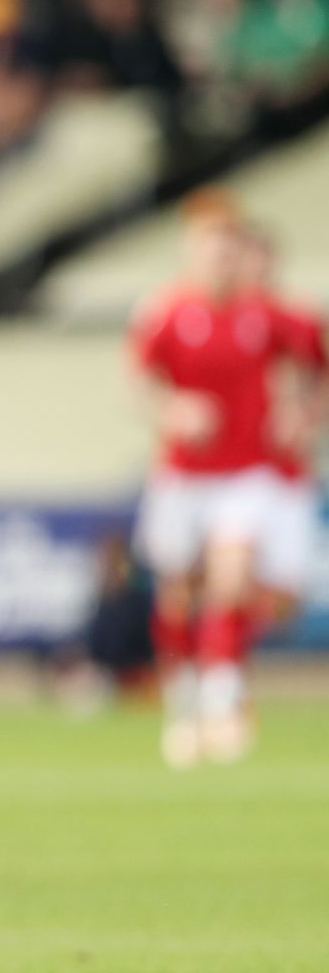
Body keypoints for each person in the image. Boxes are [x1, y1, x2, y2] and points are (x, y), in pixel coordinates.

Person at [130, 198, 293, 768]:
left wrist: (302, 413)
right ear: (193, 252)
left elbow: (312, 361)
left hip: (244, 475)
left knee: (231, 577)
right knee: (178, 590)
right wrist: (174, 409)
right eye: (210, 245)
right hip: (181, 477)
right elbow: (140, 384)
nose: (220, 256)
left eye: (229, 245)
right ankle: (185, 693)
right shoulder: (167, 313)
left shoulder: (265, 315)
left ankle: (222, 704)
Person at [236, 226, 326, 634]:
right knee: (227, 576)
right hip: (232, 469)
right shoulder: (215, 319)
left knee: (285, 595)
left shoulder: (298, 321)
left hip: (286, 470)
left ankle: (224, 653)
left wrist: (306, 421)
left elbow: (321, 382)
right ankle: (218, 671)